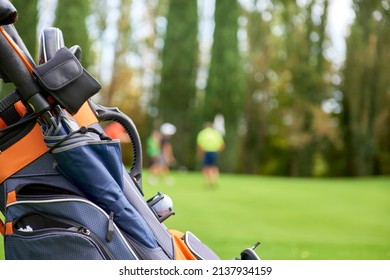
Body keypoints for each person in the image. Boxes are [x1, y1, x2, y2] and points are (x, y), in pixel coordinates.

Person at [196, 122, 225, 187]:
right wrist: (219, 152)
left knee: (206, 167)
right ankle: (214, 180)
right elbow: (222, 145)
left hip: (206, 152)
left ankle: (207, 182)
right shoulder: (216, 133)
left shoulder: (202, 133)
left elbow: (199, 145)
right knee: (214, 167)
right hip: (215, 152)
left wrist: (199, 154)